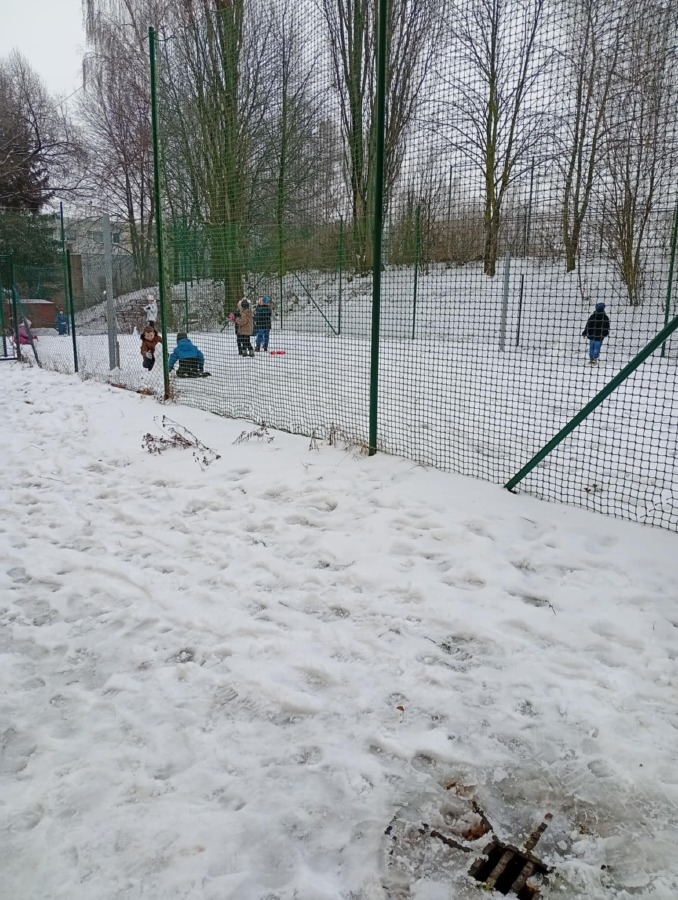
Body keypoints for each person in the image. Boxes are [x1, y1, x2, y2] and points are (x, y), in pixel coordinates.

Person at [582, 302, 610, 366]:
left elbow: (588, 325)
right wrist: (605, 333)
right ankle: (594, 358)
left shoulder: (593, 316)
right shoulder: (605, 317)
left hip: (592, 335)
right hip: (600, 336)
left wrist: (585, 332)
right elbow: (607, 327)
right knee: (597, 347)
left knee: (592, 347)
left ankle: (591, 358)